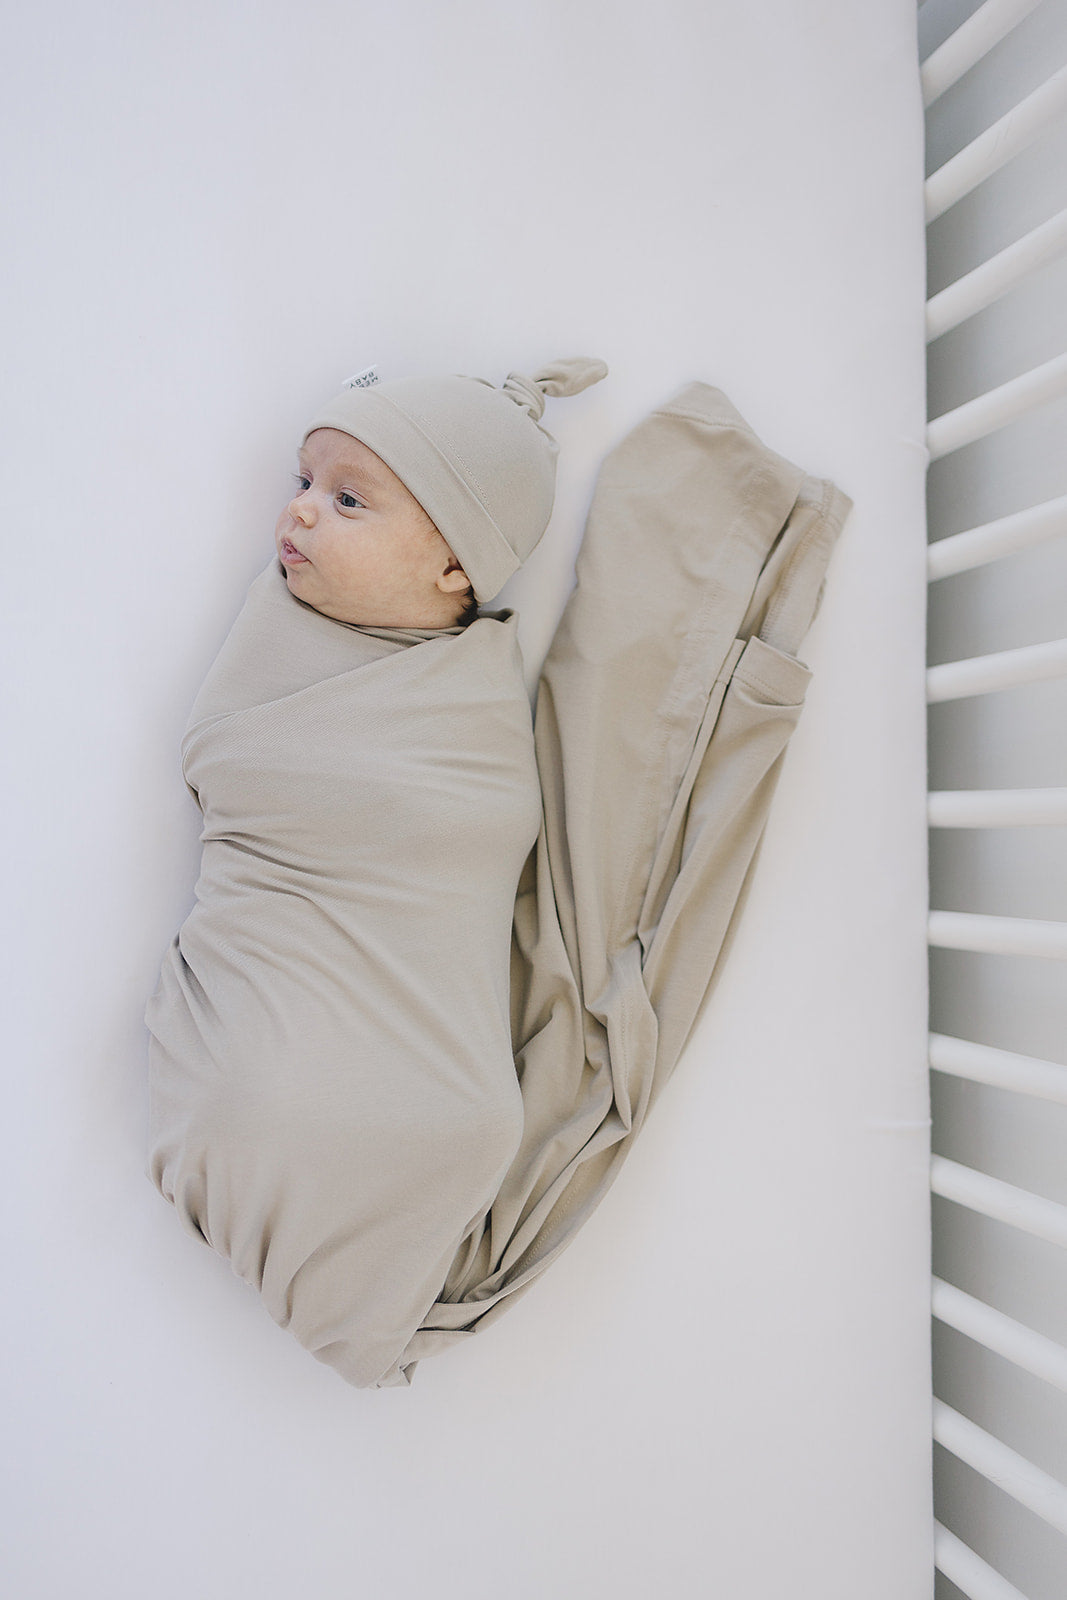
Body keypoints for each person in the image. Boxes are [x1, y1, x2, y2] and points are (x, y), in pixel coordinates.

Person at [146, 357, 851, 1389]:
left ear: (451, 570)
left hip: (391, 1110)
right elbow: (248, 777)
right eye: (303, 482)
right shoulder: (281, 652)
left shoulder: (465, 707)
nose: (297, 511)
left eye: (345, 498)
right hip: (244, 1065)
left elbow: (467, 818)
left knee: (459, 1094)